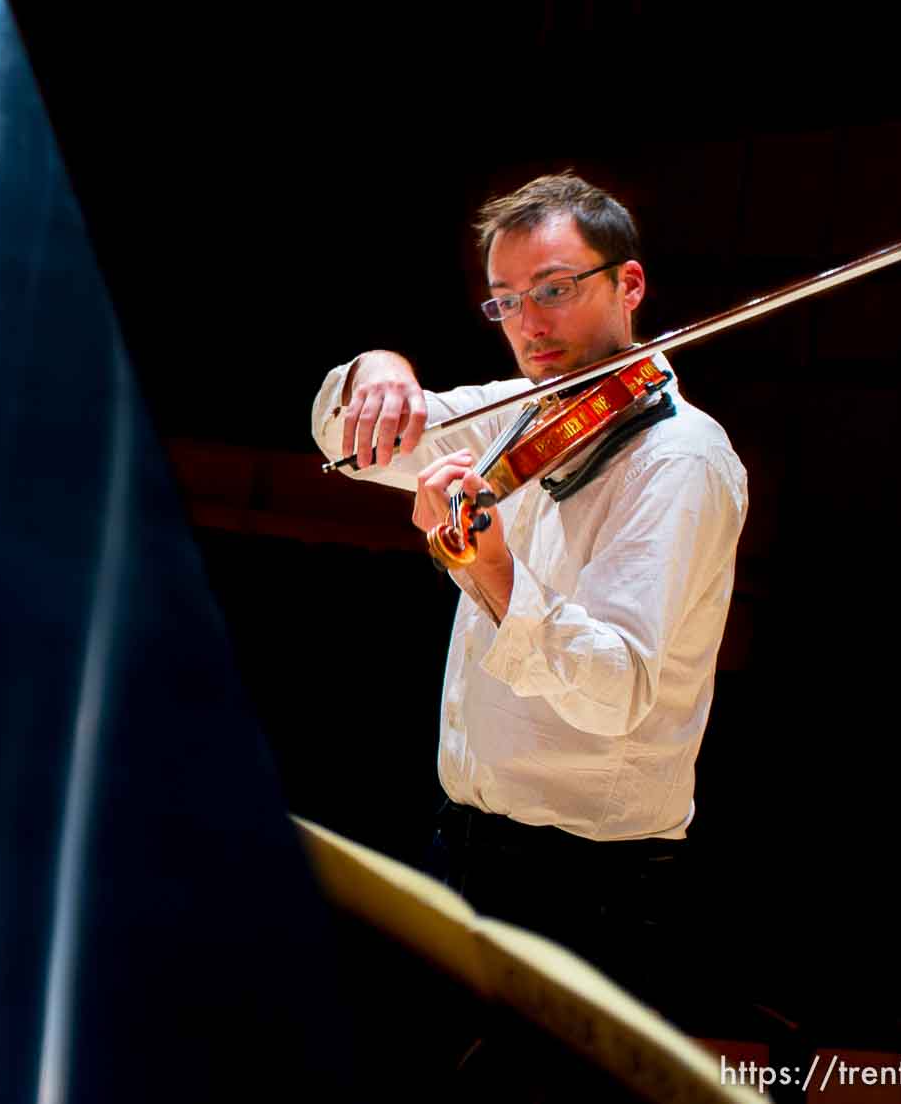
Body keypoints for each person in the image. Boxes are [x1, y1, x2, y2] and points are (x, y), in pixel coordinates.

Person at [308, 173, 748, 1038]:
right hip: (464, 847)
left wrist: (497, 576)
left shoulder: (679, 460)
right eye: (506, 302)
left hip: (588, 889)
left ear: (628, 284)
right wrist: (380, 371)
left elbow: (619, 689)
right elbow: (351, 445)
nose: (529, 324)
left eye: (554, 290)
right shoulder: (522, 416)